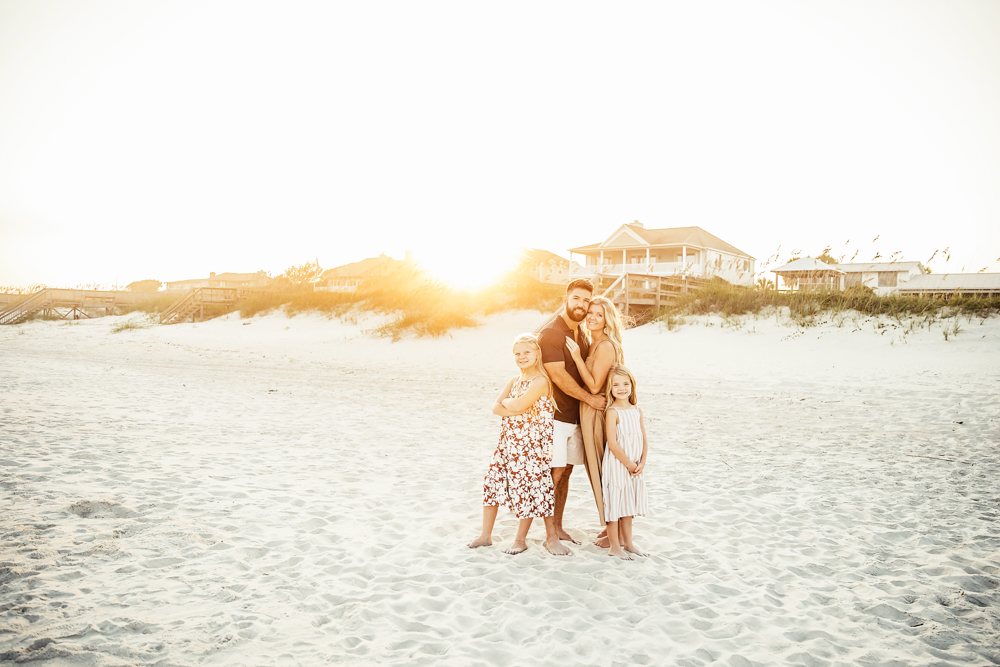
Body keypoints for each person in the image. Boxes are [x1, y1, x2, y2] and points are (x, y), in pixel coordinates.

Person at [468, 333, 555, 554]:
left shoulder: (541, 381)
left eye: (527, 352)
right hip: (507, 444)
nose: (521, 357)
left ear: (537, 353)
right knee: (492, 483)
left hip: (530, 446)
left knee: (525, 489)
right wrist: (511, 404)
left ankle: (520, 539)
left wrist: (511, 405)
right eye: (517, 353)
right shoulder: (514, 381)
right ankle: (485, 535)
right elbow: (496, 407)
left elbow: (516, 406)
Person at [538, 278, 606, 556]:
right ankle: (550, 537)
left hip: (574, 416)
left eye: (586, 301)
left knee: (566, 473)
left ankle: (559, 525)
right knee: (553, 475)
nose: (581, 305)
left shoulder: (580, 333)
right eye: (576, 299)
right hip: (555, 416)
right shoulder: (552, 332)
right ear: (566, 298)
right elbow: (557, 375)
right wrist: (590, 398)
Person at [565, 296, 626, 546]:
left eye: (599, 315)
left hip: (597, 414)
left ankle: (619, 533)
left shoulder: (605, 346)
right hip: (589, 411)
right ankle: (614, 525)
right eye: (590, 312)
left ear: (607, 319)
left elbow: (594, 385)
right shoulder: (595, 342)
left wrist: (577, 357)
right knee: (598, 471)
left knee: (604, 472)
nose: (591, 317)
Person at [602, 365, 649, 560]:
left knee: (628, 504)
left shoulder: (637, 410)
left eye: (625, 383)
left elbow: (644, 439)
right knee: (615, 503)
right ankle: (614, 545)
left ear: (632, 385)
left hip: (636, 465)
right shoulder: (612, 412)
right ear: (610, 388)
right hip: (618, 464)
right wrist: (629, 464)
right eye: (616, 385)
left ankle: (629, 543)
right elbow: (612, 443)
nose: (621, 388)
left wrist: (642, 462)